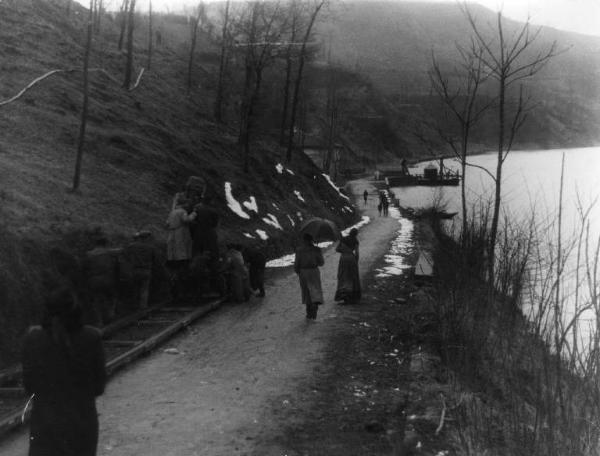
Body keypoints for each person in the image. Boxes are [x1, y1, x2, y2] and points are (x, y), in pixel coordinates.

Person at [22, 287, 106, 456]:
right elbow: (99, 387)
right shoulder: (92, 337)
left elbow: (29, 386)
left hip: (45, 423)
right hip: (81, 422)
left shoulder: (32, 339)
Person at [165, 195, 197, 300]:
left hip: (171, 234)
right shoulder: (182, 211)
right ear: (184, 204)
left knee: (173, 252)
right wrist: (193, 214)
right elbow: (186, 220)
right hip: (181, 234)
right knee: (182, 251)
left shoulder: (172, 212)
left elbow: (167, 224)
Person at [83, 237, 119, 326]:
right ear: (105, 244)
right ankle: (110, 314)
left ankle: (99, 321)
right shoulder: (110, 252)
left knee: (96, 301)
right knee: (112, 296)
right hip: (108, 278)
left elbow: (84, 268)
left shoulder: (88, 254)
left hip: (93, 280)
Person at [121, 231, 156, 309]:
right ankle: (143, 308)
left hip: (134, 270)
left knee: (135, 289)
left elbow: (124, 256)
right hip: (146, 270)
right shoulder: (151, 247)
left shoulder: (131, 246)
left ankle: (134, 306)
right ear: (147, 238)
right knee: (144, 290)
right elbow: (155, 260)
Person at [294, 233, 324, 320]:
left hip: (303, 272)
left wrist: (297, 271)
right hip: (314, 271)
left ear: (304, 240)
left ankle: (308, 312)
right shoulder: (316, 249)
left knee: (306, 291)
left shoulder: (299, 250)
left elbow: (296, 264)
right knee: (315, 289)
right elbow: (321, 263)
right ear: (311, 240)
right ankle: (314, 307)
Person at [334, 228, 361, 304]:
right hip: (351, 259)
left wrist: (344, 250)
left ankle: (344, 295)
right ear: (356, 234)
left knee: (343, 276)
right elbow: (357, 253)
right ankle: (351, 296)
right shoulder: (355, 241)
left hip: (343, 258)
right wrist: (356, 261)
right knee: (351, 277)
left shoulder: (343, 239)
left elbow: (337, 249)